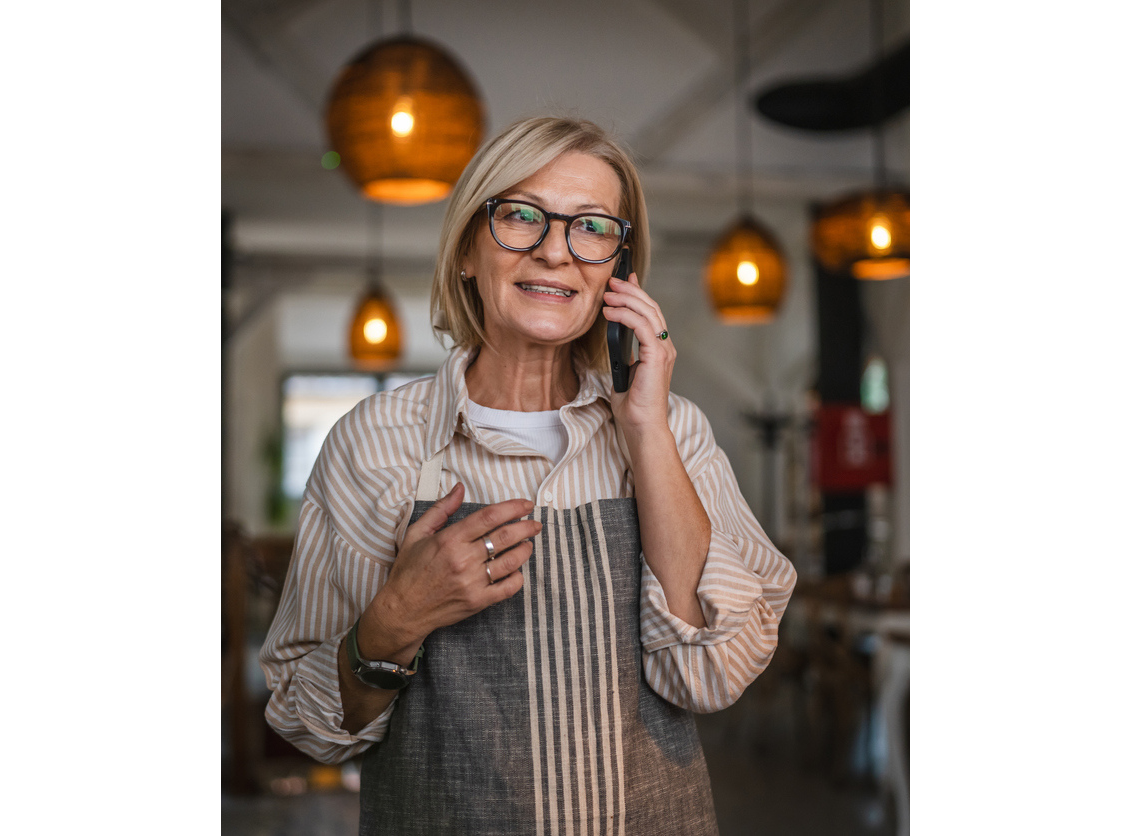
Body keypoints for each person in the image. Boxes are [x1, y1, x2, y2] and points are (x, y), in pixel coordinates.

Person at [259, 115, 797, 835]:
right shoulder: (376, 445)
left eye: (593, 228)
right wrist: (397, 618)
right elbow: (307, 721)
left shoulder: (674, 431)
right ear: (466, 251)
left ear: (618, 271)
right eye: (520, 215)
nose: (555, 251)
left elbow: (715, 670)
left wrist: (646, 429)